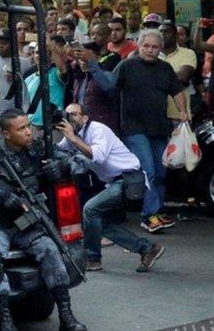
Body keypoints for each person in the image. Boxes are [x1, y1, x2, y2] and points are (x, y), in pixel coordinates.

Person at [0, 109, 88, 331]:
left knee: (50, 248)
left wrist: (63, 168)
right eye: (21, 129)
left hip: (28, 224)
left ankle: (66, 316)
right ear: (6, 134)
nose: (29, 132)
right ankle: (5, 321)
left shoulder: (39, 149)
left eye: (29, 126)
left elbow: (84, 162)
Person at [94, 30, 188, 233]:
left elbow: (177, 91)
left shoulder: (165, 68)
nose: (150, 50)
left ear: (160, 49)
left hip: (159, 128)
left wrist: (183, 111)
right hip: (134, 128)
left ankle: (156, 212)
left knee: (162, 172)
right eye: (146, 46)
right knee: (148, 171)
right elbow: (110, 87)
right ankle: (149, 216)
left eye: (155, 47)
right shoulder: (127, 66)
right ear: (139, 45)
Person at [57, 103, 165, 272]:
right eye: (67, 114)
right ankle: (147, 249)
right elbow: (59, 150)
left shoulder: (98, 130)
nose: (70, 118)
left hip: (129, 179)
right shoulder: (75, 134)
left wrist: (72, 138)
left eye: (74, 114)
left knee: (90, 210)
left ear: (85, 118)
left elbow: (97, 157)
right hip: (115, 182)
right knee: (101, 223)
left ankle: (93, 258)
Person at [160, 22, 198, 124]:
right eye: (160, 32)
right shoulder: (152, 54)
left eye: (167, 32)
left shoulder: (188, 53)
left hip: (179, 112)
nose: (162, 34)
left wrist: (155, 81)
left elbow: (182, 78)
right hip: (157, 110)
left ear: (176, 35)